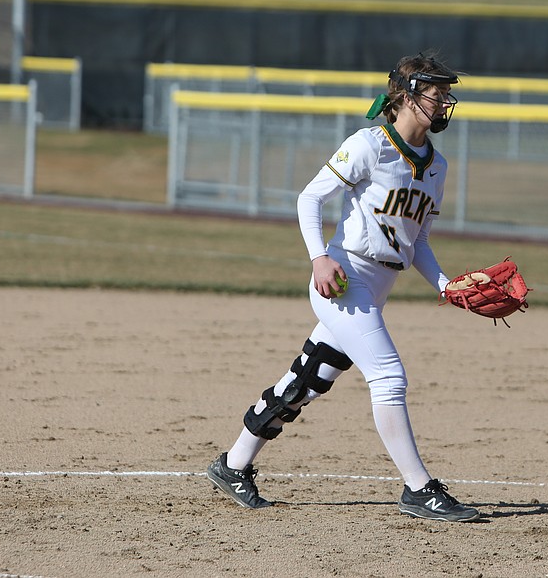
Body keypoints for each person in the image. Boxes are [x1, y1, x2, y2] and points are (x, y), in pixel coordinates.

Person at [206, 49, 480, 522]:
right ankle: (419, 489)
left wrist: (445, 284)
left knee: (306, 383)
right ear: (407, 96)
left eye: (446, 92)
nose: (444, 100)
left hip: (377, 287)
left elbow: (421, 241)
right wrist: (319, 258)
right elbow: (309, 198)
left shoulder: (437, 167)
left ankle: (232, 464)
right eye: (435, 91)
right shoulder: (371, 144)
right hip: (343, 278)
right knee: (389, 377)